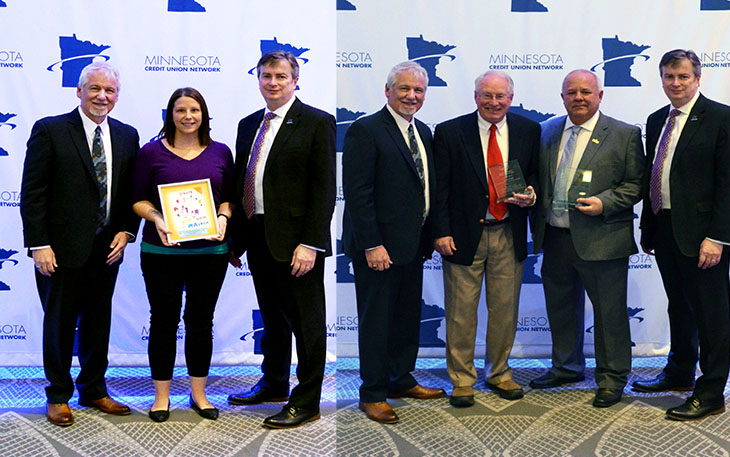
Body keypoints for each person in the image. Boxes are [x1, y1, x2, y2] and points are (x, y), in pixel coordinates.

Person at [20, 62, 140, 426]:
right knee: (59, 323)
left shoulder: (127, 135)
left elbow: (129, 192)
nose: (102, 96)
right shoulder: (51, 130)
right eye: (95, 89)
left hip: (107, 250)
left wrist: (127, 230)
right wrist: (39, 244)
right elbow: (33, 192)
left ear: (117, 96)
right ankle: (58, 394)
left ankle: (94, 388)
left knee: (98, 322)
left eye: (110, 91)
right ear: (79, 91)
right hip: (59, 249)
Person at [227, 50, 336, 429]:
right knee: (273, 318)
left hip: (297, 243)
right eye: (265, 75)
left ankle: (307, 401)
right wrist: (236, 240)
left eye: (280, 76)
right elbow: (245, 180)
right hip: (258, 235)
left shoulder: (317, 122)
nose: (272, 82)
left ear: (295, 81)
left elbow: (324, 189)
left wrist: (311, 243)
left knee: (306, 323)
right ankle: (274, 382)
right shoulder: (247, 124)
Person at [530, 69, 644, 408]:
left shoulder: (624, 134)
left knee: (609, 314)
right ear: (562, 97)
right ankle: (566, 367)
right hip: (556, 237)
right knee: (561, 307)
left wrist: (604, 202)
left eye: (585, 92)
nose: (578, 97)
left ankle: (612, 377)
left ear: (600, 96)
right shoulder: (547, 131)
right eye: (571, 92)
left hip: (603, 239)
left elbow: (636, 184)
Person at [342, 61, 445, 425]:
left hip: (412, 245)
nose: (411, 96)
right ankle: (372, 393)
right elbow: (357, 193)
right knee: (377, 322)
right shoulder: (365, 129)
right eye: (404, 89)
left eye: (418, 91)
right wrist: (372, 244)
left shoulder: (424, 132)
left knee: (405, 319)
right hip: (378, 248)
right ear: (387, 91)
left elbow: (424, 189)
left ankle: (400, 379)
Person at [432, 70, 539, 407]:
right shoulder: (450, 131)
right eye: (487, 96)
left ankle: (499, 373)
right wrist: (440, 231)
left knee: (505, 310)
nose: (494, 103)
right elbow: (439, 188)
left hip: (509, 230)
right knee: (461, 312)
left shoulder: (528, 129)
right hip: (464, 236)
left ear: (511, 97)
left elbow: (534, 175)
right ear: (475, 96)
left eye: (501, 96)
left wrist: (532, 195)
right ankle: (462, 380)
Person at [634, 49, 730, 421]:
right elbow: (652, 175)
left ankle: (711, 390)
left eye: (683, 77)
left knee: (712, 314)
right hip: (666, 229)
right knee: (680, 306)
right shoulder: (658, 118)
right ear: (661, 79)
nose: (675, 83)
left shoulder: (721, 117)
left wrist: (718, 237)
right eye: (669, 77)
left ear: (697, 78)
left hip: (705, 238)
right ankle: (679, 372)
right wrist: (649, 227)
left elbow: (727, 184)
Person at [132, 87, 234, 422]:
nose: (187, 116)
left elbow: (229, 197)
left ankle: (199, 394)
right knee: (163, 322)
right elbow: (137, 200)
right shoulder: (150, 152)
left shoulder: (221, 152)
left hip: (210, 251)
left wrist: (222, 217)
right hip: (161, 251)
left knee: (200, 322)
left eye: (194, 110)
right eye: (180, 110)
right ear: (170, 114)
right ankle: (161, 397)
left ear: (204, 114)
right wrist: (158, 218)